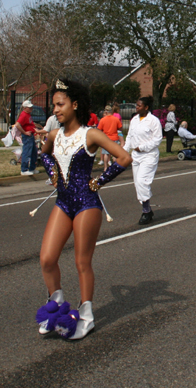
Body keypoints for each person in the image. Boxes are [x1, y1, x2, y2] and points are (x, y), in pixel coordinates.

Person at [36, 78, 132, 340]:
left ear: (75, 105)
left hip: (87, 204)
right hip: (63, 201)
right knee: (47, 259)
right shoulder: (54, 135)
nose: (55, 110)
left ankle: (86, 316)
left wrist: (99, 181)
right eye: (54, 105)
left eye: (60, 104)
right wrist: (52, 171)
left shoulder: (91, 134)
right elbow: (44, 154)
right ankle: (55, 307)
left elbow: (124, 157)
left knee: (81, 262)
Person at [123, 97, 163, 225]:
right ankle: (148, 209)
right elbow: (129, 137)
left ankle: (146, 211)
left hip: (149, 155)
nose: (137, 107)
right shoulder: (134, 120)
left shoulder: (153, 121)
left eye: (139, 106)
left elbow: (157, 139)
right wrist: (123, 152)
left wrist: (142, 147)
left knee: (142, 181)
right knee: (137, 183)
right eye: (136, 105)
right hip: (136, 156)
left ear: (146, 107)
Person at [15, 100, 40, 175]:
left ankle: (32, 168)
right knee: (27, 152)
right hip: (27, 136)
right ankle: (24, 170)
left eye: (31, 107)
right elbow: (17, 124)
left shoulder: (28, 114)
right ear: (24, 108)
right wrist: (24, 132)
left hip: (31, 135)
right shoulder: (24, 115)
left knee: (34, 152)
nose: (31, 108)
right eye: (29, 107)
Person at [97, 106, 123, 170]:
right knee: (114, 154)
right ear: (111, 111)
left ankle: (105, 167)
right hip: (114, 138)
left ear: (106, 112)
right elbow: (120, 128)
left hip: (106, 138)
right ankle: (114, 167)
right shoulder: (116, 119)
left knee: (106, 153)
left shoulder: (102, 120)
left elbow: (99, 129)